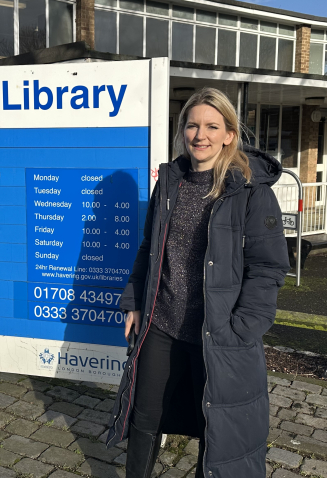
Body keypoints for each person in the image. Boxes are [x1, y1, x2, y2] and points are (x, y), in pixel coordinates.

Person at [105, 87, 290, 478]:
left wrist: (241, 329)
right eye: (192, 125)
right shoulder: (169, 183)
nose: (200, 135)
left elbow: (269, 268)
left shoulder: (251, 192)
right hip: (163, 326)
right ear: (182, 130)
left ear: (229, 134)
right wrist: (135, 301)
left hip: (218, 334)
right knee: (144, 417)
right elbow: (149, 249)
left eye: (211, 126)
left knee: (219, 431)